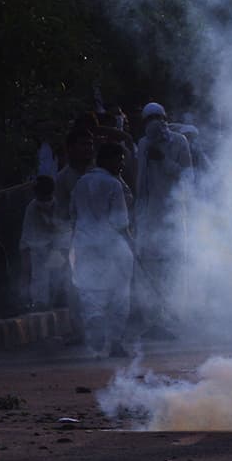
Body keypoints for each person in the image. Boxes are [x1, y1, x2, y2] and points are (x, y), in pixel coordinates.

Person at [70, 143, 134, 359]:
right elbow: (120, 221)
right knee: (119, 292)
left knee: (89, 288)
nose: (122, 165)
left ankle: (94, 318)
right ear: (107, 160)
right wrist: (131, 244)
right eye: (119, 160)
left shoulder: (80, 182)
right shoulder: (113, 184)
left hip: (84, 242)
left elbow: (73, 214)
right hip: (111, 244)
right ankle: (115, 342)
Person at [134, 103, 194, 331]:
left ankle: (172, 320)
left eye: (159, 117)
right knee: (150, 269)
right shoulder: (143, 144)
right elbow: (141, 183)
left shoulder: (179, 141)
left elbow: (188, 177)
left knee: (172, 268)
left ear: (166, 117)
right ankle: (154, 321)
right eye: (150, 118)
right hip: (148, 216)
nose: (155, 122)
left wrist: (164, 161)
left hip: (173, 215)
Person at [19, 176, 65, 311]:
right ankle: (39, 304)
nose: (44, 201)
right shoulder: (32, 209)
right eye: (41, 198)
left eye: (47, 197)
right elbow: (26, 238)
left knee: (59, 279)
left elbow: (65, 230)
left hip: (58, 249)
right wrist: (25, 256)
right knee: (40, 280)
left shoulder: (60, 205)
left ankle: (59, 300)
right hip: (38, 252)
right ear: (36, 195)